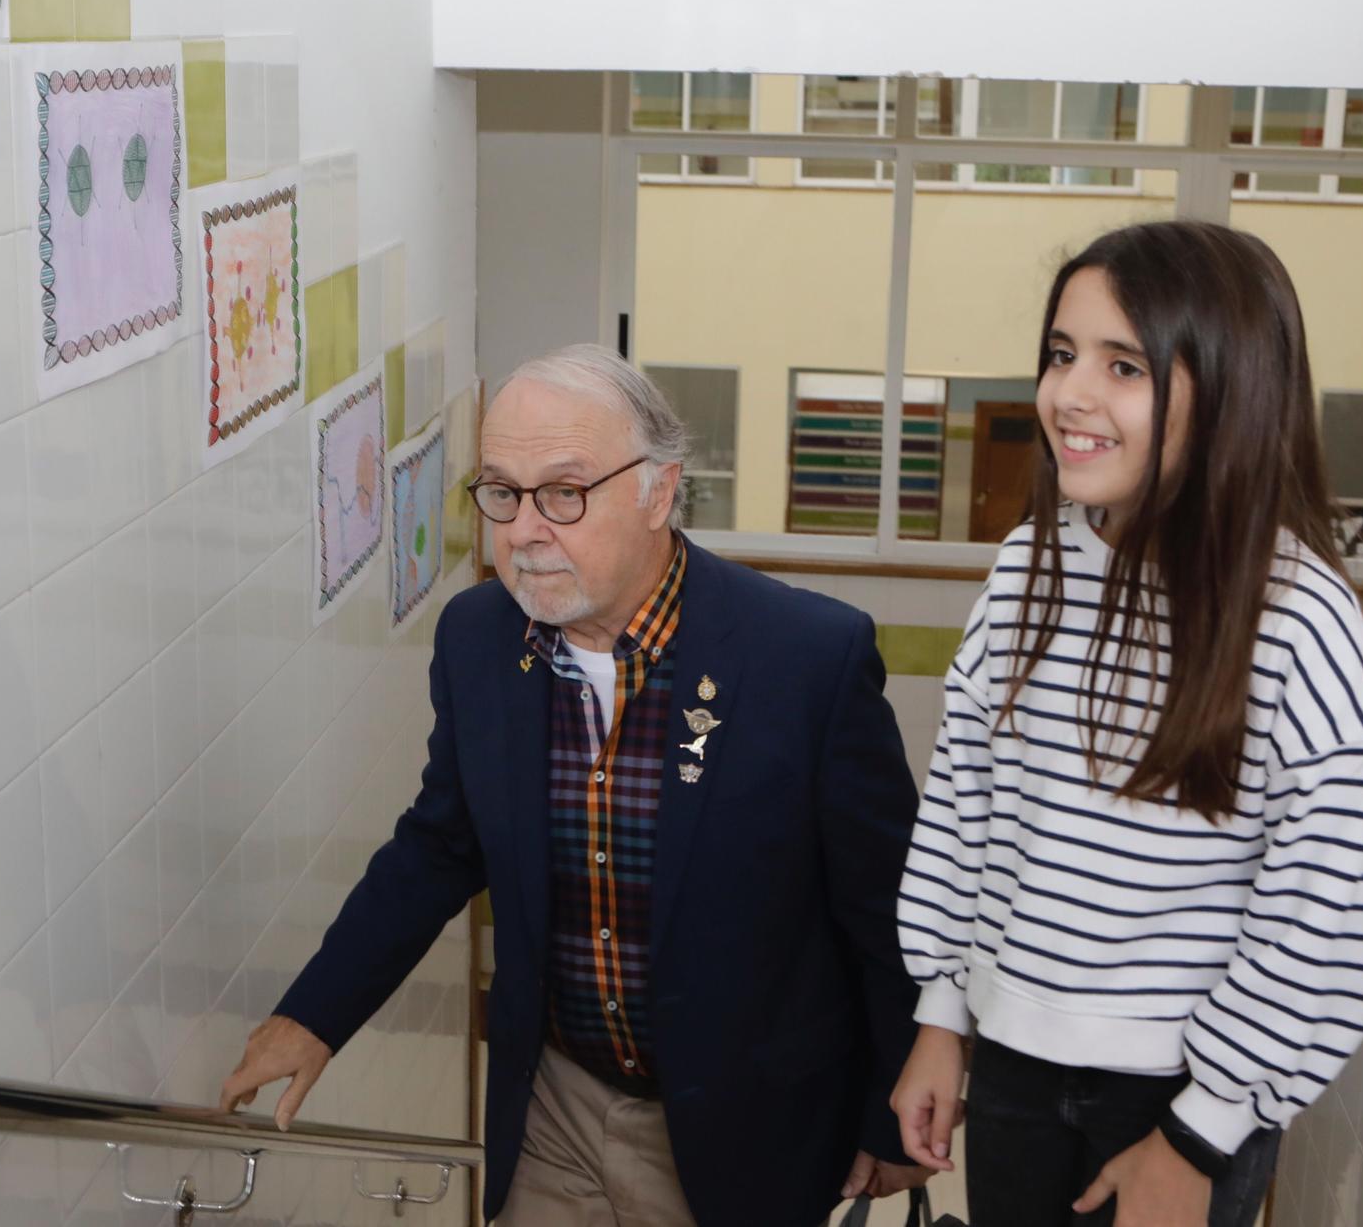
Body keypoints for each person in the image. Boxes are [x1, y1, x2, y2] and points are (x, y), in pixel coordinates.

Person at [219, 345, 929, 1226]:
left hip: (735, 1125)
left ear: (658, 492)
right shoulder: (479, 640)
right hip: (555, 1099)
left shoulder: (806, 659)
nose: (524, 529)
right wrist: (316, 1012)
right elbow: (442, 843)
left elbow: (890, 907)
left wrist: (892, 1103)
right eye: (502, 493)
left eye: (564, 492)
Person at [891, 221, 1363, 1227]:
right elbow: (965, 809)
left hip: (1175, 1094)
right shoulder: (1024, 567)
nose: (1068, 395)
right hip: (1008, 1065)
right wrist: (939, 1018)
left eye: (1122, 365)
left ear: (1229, 391)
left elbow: (1328, 906)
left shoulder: (1298, 618)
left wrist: (1202, 1130)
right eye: (1059, 354)